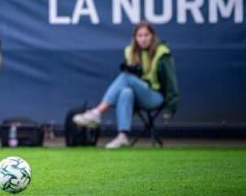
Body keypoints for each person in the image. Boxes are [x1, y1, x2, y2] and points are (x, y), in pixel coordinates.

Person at [72, 21, 178, 149]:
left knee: (125, 77)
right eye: (140, 35)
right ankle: (122, 136)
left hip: (155, 96)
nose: (143, 39)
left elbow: (171, 82)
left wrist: (171, 108)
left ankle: (97, 112)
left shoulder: (162, 53)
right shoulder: (130, 52)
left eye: (146, 35)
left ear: (153, 36)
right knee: (125, 92)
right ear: (135, 38)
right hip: (137, 95)